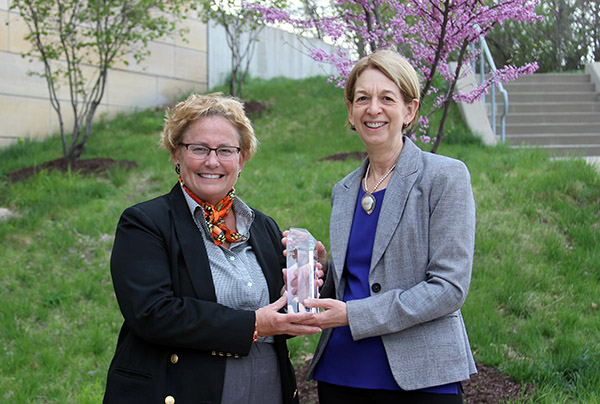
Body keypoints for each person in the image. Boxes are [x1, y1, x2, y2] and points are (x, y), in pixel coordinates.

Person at [103, 93, 322, 404]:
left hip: (267, 391)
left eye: (225, 150)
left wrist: (305, 287)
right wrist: (253, 325)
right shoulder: (145, 223)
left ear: (242, 158)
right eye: (199, 149)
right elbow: (153, 313)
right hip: (184, 391)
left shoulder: (263, 227)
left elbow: (280, 317)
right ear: (176, 154)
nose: (212, 161)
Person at [301, 49, 477, 403]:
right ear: (351, 111)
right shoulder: (344, 190)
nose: (373, 108)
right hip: (342, 372)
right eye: (362, 98)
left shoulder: (444, 176)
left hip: (422, 377)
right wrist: (321, 268)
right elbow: (358, 280)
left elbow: (448, 287)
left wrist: (355, 315)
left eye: (387, 98)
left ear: (410, 110)